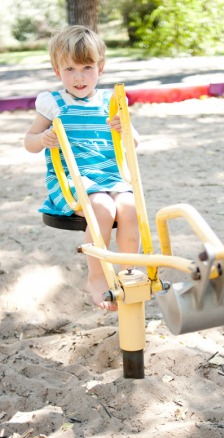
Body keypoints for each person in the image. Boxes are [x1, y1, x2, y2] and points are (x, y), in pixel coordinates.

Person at [24, 25, 140, 311]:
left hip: (109, 175)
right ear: (57, 70)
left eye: (87, 67)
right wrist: (43, 138)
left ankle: (127, 272)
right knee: (101, 207)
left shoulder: (110, 102)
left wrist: (124, 127)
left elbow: (134, 142)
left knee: (130, 206)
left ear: (100, 68)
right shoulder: (53, 103)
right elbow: (29, 141)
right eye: (70, 69)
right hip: (72, 179)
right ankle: (97, 276)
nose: (79, 77)